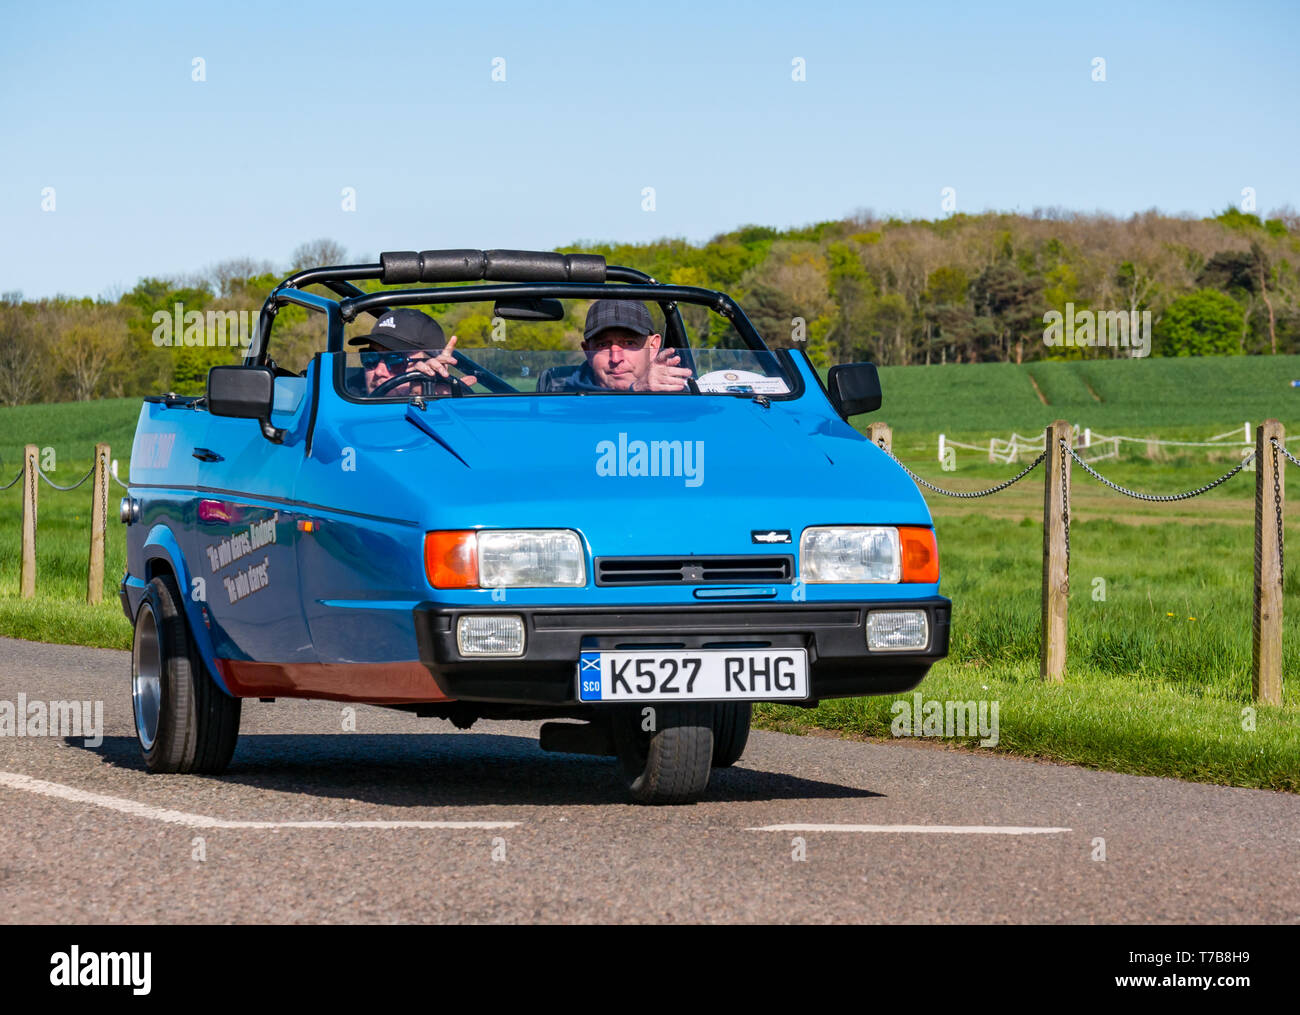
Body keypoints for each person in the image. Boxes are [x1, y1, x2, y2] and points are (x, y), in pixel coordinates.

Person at [537, 300, 693, 392]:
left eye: (629, 343)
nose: (616, 359)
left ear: (653, 346)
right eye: (603, 345)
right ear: (588, 351)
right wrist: (636, 389)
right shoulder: (558, 394)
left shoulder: (681, 397)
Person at [346, 308, 475, 396]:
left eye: (395, 359)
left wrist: (436, 402)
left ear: (432, 366)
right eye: (370, 357)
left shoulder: (455, 409)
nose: (379, 372)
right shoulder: (345, 396)